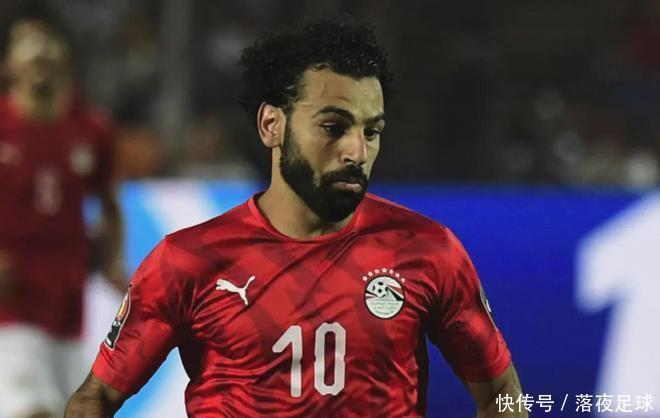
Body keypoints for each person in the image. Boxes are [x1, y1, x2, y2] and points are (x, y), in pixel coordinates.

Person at [66, 18, 525, 417]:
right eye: (333, 127)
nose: (357, 151)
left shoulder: (428, 251)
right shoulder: (188, 261)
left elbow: (502, 395)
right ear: (272, 125)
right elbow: (95, 397)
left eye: (372, 131)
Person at [0, 3, 125, 418]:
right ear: (7, 64)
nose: (39, 50)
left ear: (66, 56)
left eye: (46, 41)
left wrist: (113, 261)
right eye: (26, 43)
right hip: (10, 302)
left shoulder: (92, 128)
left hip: (68, 301)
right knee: (31, 409)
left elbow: (109, 202)